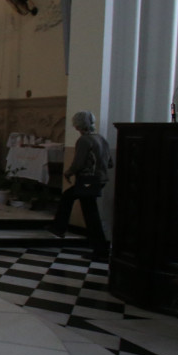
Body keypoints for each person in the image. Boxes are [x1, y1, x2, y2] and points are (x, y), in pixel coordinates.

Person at [48, 111, 113, 260]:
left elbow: (79, 162)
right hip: (100, 179)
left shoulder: (84, 140)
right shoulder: (100, 138)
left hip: (88, 180)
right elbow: (109, 163)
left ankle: (59, 228)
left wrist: (69, 172)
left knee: (75, 202)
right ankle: (99, 248)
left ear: (78, 125)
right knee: (89, 212)